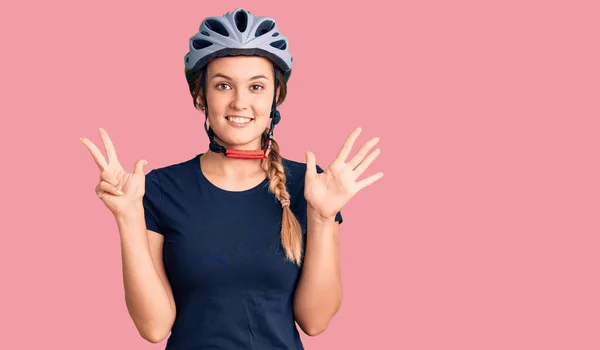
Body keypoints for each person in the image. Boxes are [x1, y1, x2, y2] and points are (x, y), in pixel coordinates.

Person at [80, 8, 383, 350]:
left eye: (256, 86)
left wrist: (324, 218)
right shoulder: (159, 190)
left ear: (276, 97)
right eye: (223, 85)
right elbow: (154, 328)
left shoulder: (311, 187)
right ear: (201, 97)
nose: (240, 102)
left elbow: (315, 321)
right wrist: (128, 217)